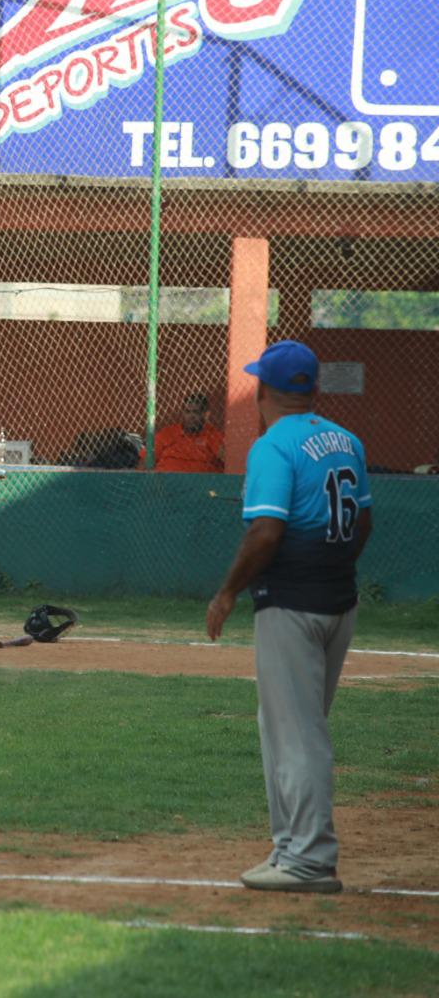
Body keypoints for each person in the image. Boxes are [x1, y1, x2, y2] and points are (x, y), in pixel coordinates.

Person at [205, 340, 373, 895]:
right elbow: (362, 524)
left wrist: (227, 591)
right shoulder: (346, 440)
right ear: (313, 389)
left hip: (293, 604)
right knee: (286, 728)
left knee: (296, 735)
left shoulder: (273, 446)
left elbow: (266, 530)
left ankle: (308, 860)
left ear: (262, 391)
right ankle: (289, 847)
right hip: (337, 601)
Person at [152, 392, 224, 473]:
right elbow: (146, 459)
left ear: (206, 415)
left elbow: (226, 459)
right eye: (187, 412)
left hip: (202, 484)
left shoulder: (213, 435)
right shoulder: (167, 433)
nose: (191, 416)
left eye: (195, 412)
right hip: (163, 483)